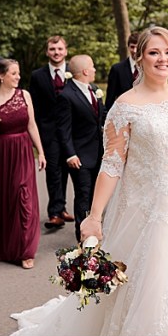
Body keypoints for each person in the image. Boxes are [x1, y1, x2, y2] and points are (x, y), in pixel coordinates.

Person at [9, 27, 168, 336]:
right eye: (154, 52)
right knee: (155, 283)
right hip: (152, 213)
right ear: (139, 57)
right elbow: (112, 165)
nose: (163, 59)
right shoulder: (125, 106)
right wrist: (94, 217)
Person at [0, 59, 46, 269]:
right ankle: (2, 246)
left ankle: (25, 250)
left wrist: (40, 152)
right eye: (13, 73)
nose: (18, 77)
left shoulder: (24, 95)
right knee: (2, 198)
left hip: (22, 150)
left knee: (22, 196)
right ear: (0, 76)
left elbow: (32, 125)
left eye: (18, 73)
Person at [55, 54, 105, 242]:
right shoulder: (66, 96)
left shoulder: (94, 89)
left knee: (96, 196)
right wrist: (70, 154)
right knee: (83, 196)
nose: (94, 70)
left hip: (98, 153)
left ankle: (96, 230)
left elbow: (101, 116)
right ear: (85, 71)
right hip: (80, 156)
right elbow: (63, 129)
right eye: (92, 67)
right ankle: (83, 236)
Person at [29, 35, 75, 229]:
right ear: (47, 52)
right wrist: (37, 135)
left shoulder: (74, 71)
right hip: (49, 132)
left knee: (69, 170)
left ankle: (66, 208)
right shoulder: (37, 76)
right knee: (53, 170)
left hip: (72, 130)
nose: (56, 53)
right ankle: (55, 212)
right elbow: (35, 107)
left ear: (65, 51)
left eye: (59, 49)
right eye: (52, 49)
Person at [104, 32, 139, 114]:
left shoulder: (149, 68)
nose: (134, 51)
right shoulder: (117, 69)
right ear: (128, 47)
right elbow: (110, 98)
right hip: (123, 115)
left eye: (137, 47)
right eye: (132, 47)